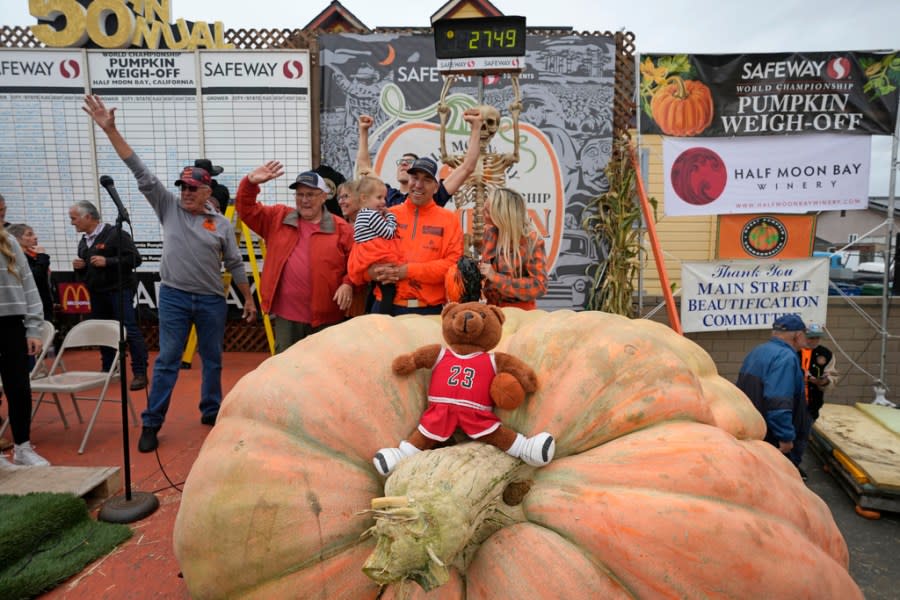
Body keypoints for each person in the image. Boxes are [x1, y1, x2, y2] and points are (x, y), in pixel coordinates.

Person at [82, 94, 257, 454]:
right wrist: (110, 130)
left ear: (208, 190)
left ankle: (211, 411)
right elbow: (140, 171)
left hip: (211, 300)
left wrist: (249, 297)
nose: (187, 192)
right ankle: (152, 421)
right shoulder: (168, 207)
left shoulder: (221, 224)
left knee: (213, 359)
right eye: (183, 187)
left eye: (194, 188)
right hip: (175, 297)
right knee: (167, 362)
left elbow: (235, 264)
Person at [235, 161, 353, 353]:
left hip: (328, 318)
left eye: (310, 195)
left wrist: (348, 283)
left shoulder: (341, 229)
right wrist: (249, 183)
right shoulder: (277, 218)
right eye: (300, 194)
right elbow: (246, 210)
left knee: (325, 374)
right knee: (286, 373)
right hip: (287, 317)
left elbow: (356, 265)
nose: (304, 200)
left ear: (324, 197)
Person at [349, 156, 463, 316]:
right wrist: (372, 273)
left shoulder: (449, 220)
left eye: (427, 180)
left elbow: (453, 267)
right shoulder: (386, 214)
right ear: (408, 180)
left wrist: (407, 271)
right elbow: (355, 268)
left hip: (429, 313)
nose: (418, 185)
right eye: (414, 177)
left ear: (436, 187)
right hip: (386, 309)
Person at [67, 201, 149, 391]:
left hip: (119, 290)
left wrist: (109, 261)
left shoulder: (116, 234)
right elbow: (90, 269)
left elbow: (135, 259)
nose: (72, 223)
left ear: (88, 216)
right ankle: (109, 369)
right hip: (97, 293)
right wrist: (80, 267)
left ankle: (139, 372)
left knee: (129, 329)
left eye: (74, 218)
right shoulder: (84, 240)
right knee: (103, 330)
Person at [356, 109, 482, 208]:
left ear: (435, 187)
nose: (404, 164)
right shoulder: (389, 196)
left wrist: (476, 128)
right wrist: (363, 131)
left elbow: (467, 167)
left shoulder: (434, 197)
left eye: (410, 162)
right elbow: (364, 169)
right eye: (402, 162)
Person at [0, 227, 50, 467]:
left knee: (19, 388)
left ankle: (23, 447)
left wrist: (33, 327)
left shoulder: (9, 240)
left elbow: (29, 285)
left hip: (11, 323)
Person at [735, 314, 808, 474]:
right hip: (773, 438)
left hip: (755, 430)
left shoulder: (758, 351)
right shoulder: (786, 358)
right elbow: (778, 402)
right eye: (805, 334)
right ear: (798, 335)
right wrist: (786, 437)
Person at [479, 187, 548, 309]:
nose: (482, 213)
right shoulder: (489, 232)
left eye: (487, 212)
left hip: (520, 312)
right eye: (484, 209)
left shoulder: (532, 241)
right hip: (492, 309)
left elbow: (539, 286)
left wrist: (495, 277)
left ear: (502, 216)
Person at [347, 175, 400, 314]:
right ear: (364, 198)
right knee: (389, 289)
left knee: (377, 288)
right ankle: (385, 317)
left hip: (366, 256)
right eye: (379, 198)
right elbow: (389, 233)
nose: (383, 202)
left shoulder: (361, 215)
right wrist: (391, 216)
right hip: (376, 255)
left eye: (384, 197)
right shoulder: (372, 215)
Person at [792, 322, 839, 478]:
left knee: (801, 438)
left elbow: (832, 376)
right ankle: (784, 467)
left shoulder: (825, 354)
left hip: (811, 405)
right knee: (785, 436)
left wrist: (823, 381)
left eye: (817, 338)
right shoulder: (792, 352)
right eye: (810, 337)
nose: (813, 341)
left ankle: (794, 467)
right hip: (791, 403)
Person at [7, 223, 54, 322]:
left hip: (41, 305)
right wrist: (42, 256)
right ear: (16, 239)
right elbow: (36, 277)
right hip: (31, 308)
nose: (35, 237)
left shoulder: (30, 256)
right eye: (29, 234)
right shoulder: (15, 258)